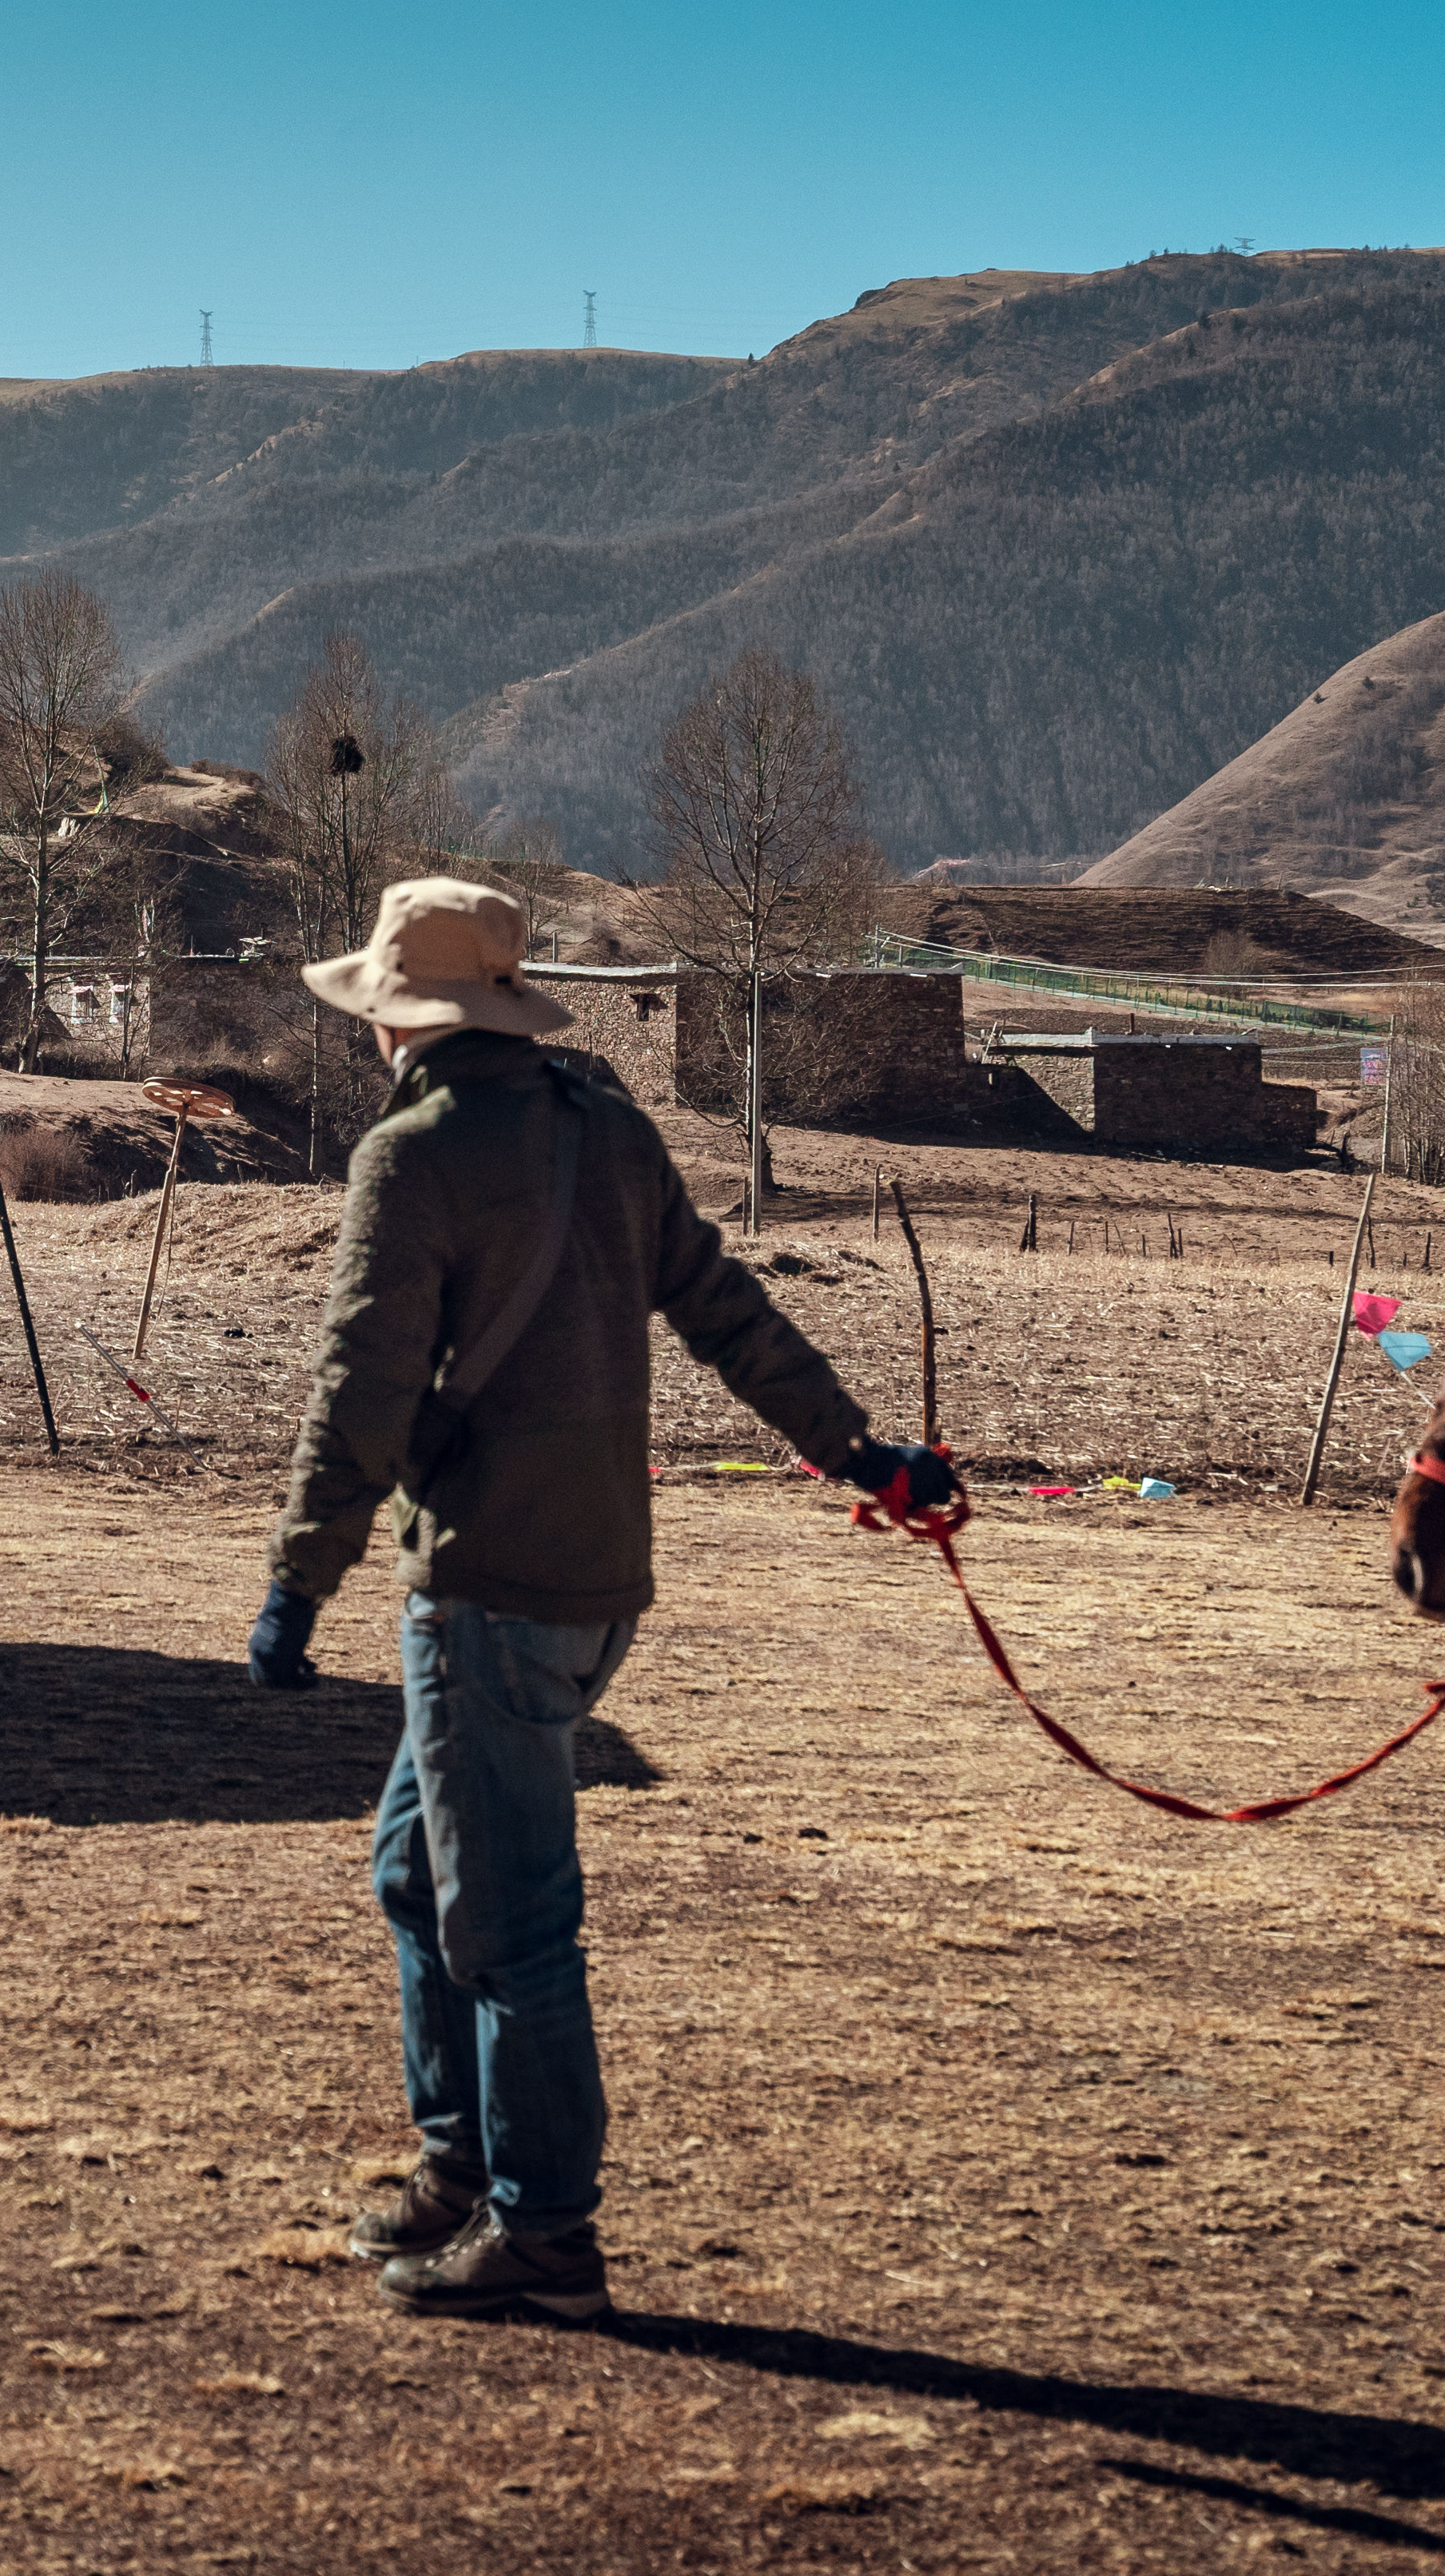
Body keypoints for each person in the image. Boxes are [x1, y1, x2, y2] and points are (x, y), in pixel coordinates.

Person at [244, 877, 949, 2322]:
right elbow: (730, 1317)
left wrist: (295, 1587)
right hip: (598, 1580)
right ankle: (464, 2168)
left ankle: (547, 2233)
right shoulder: (607, 1134)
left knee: (508, 1923)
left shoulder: (414, 1160)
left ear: (395, 1019)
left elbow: (360, 1391)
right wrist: (859, 1453)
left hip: (486, 1590)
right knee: (413, 1873)